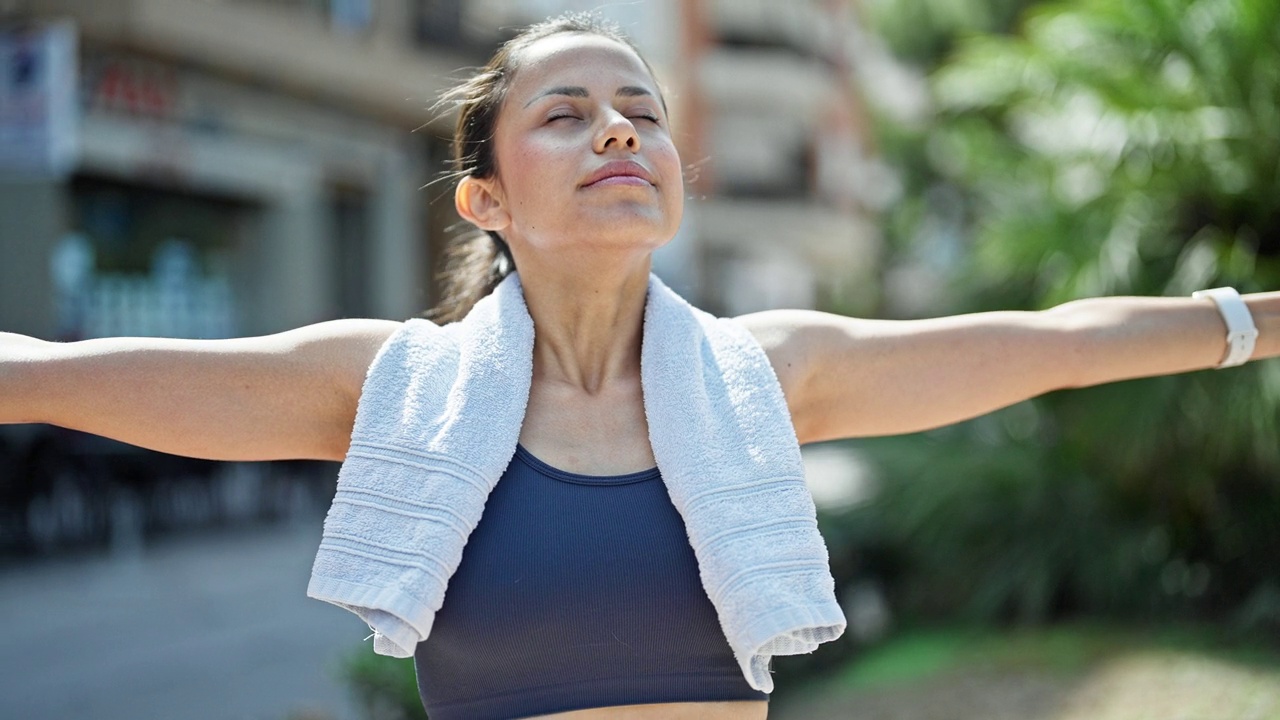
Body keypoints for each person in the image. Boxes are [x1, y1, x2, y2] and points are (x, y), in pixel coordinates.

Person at [2, 12, 1278, 720]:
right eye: (564, 114)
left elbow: (1052, 348)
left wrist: (1255, 320)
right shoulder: (390, 386)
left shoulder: (765, 377)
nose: (620, 124)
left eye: (641, 110)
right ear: (485, 199)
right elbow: (51, 374)